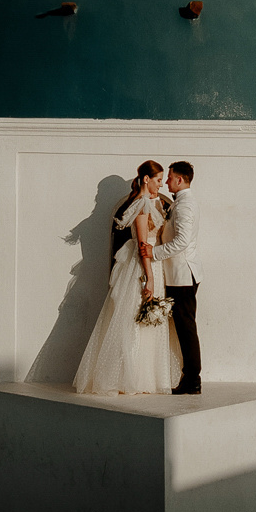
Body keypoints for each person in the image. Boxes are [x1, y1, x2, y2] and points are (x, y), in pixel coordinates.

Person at [72, 161, 174, 395]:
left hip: (151, 265)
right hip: (143, 267)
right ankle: (127, 378)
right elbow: (142, 244)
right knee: (133, 319)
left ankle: (141, 377)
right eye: (159, 180)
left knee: (142, 320)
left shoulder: (148, 203)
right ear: (146, 179)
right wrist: (150, 277)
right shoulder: (142, 205)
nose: (161, 184)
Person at [158, 161, 203, 393]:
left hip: (183, 275)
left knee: (186, 328)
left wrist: (154, 253)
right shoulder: (183, 203)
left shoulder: (185, 206)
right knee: (185, 327)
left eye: (169, 177)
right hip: (181, 274)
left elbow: (182, 241)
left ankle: (192, 380)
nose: (166, 182)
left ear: (180, 179)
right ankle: (191, 379)